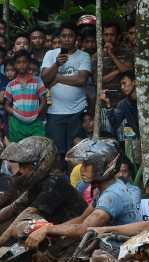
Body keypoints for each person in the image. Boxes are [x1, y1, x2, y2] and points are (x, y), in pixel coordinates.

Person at [26, 138, 140, 249]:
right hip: (111, 243)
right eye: (83, 164)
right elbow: (82, 219)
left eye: (87, 165)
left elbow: (83, 229)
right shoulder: (105, 188)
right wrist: (49, 229)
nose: (82, 169)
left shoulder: (112, 195)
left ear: (102, 166)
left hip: (123, 249)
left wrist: (48, 229)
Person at [41, 23, 91, 160]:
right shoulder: (51, 54)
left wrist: (57, 78)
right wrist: (57, 64)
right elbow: (45, 78)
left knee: (78, 153)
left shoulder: (84, 56)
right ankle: (59, 180)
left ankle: (75, 181)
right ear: (60, 38)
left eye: (71, 36)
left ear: (76, 38)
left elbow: (81, 80)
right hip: (55, 112)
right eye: (64, 36)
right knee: (56, 153)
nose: (67, 39)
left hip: (78, 111)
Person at [4, 50, 48, 143]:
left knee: (38, 147)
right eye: (18, 62)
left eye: (24, 62)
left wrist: (37, 112)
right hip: (17, 123)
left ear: (29, 63)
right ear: (15, 65)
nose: (21, 65)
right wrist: (15, 113)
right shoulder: (11, 84)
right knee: (17, 150)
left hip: (35, 122)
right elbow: (6, 105)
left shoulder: (37, 81)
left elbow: (43, 100)